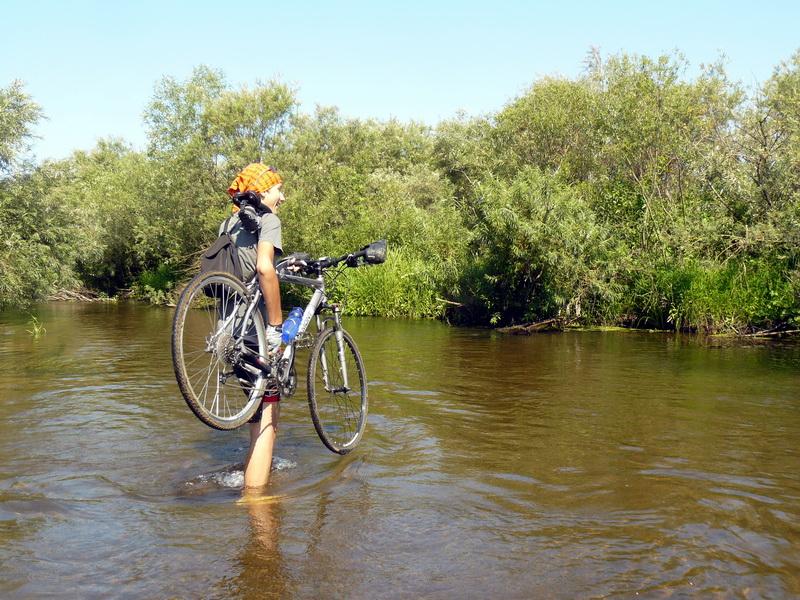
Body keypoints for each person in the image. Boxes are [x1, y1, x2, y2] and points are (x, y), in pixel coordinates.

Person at [223, 163, 286, 491]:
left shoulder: (228, 223)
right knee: (269, 420)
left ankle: (252, 477)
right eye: (278, 189)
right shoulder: (269, 220)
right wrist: (276, 324)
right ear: (263, 193)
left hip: (229, 333)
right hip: (256, 336)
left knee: (256, 410)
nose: (283, 197)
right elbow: (264, 268)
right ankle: (256, 503)